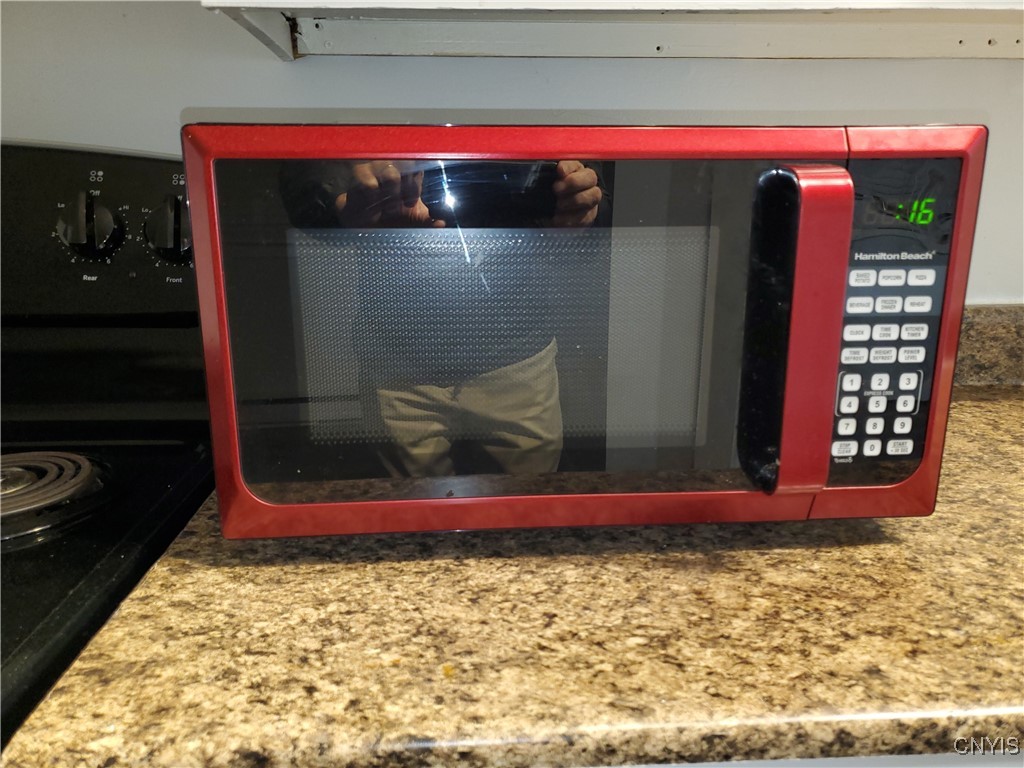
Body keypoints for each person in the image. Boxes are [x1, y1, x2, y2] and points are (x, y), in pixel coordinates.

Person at [280, 158, 610, 478]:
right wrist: (338, 195)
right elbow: (303, 163)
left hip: (499, 348)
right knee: (442, 511)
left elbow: (588, 170)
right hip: (410, 356)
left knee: (509, 506)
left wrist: (583, 197)